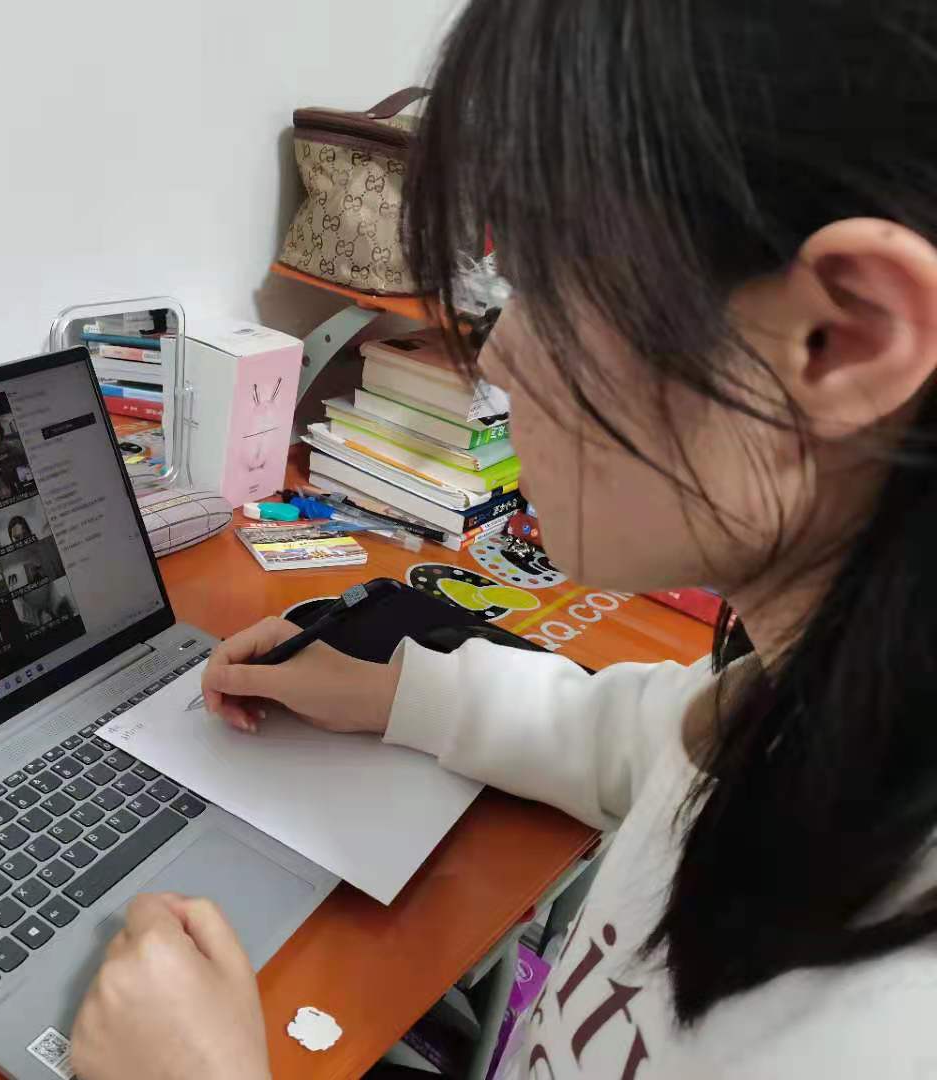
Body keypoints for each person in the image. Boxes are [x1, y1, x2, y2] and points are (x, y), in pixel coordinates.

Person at [71, 5, 937, 1078]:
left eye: (556, 279)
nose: (500, 356)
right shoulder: (813, 703)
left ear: (845, 336)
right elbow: (647, 739)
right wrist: (398, 695)